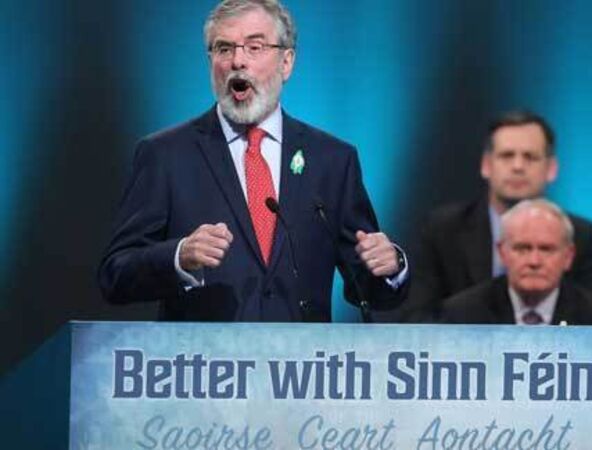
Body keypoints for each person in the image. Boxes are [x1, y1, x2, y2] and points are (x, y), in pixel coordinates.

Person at [98, 0, 408, 322]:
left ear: (286, 62)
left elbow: (369, 287)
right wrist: (179, 256)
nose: (237, 61)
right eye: (224, 48)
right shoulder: (165, 154)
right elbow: (115, 274)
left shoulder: (332, 161)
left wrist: (391, 266)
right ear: (210, 61)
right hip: (202, 354)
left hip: (301, 354)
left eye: (254, 47)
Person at [400, 110, 592, 322]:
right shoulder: (443, 229)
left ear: (551, 168)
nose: (518, 167)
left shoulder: (581, 234)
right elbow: (418, 317)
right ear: (486, 165)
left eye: (530, 157)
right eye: (507, 155)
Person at [441, 199, 592, 325]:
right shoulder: (463, 316)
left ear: (568, 256)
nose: (534, 261)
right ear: (502, 253)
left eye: (546, 249)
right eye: (522, 248)